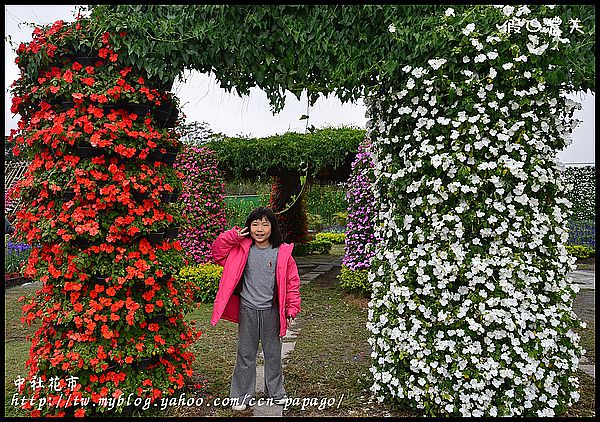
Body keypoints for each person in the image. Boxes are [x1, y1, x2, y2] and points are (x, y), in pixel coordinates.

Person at [210, 207, 301, 411]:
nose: (260, 229)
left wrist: (292, 308)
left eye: (265, 224)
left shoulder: (282, 252)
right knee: (245, 355)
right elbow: (217, 253)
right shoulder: (240, 249)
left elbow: (292, 282)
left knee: (273, 355)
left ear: (272, 227)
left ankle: (276, 392)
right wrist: (232, 236)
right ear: (248, 227)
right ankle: (242, 395)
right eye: (255, 224)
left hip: (271, 311)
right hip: (247, 310)